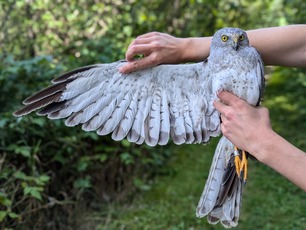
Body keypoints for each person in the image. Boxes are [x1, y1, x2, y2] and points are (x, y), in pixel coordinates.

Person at [119, 25, 306, 192]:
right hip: (232, 124)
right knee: (124, 73)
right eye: (226, 39)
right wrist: (187, 47)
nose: (234, 43)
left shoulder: (252, 55)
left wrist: (262, 141)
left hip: (247, 129)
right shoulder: (215, 62)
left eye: (240, 39)